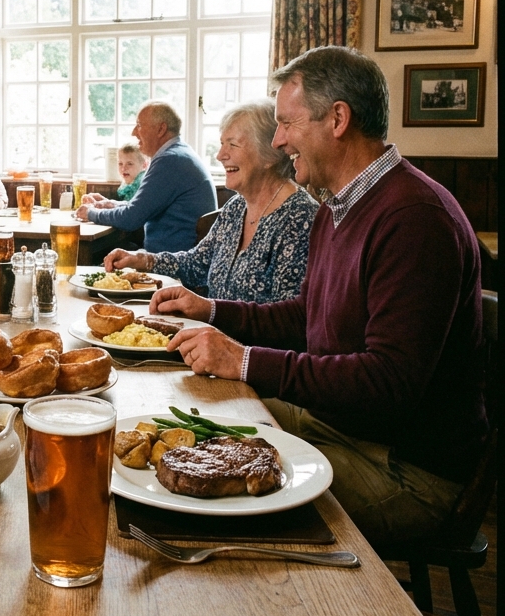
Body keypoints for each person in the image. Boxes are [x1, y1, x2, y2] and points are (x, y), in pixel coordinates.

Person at [151, 46, 486, 545]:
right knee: (192, 421)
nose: (280, 139)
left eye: (287, 123)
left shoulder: (415, 218)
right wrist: (215, 313)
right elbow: (307, 314)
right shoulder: (337, 207)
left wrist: (244, 362)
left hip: (409, 472)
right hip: (341, 428)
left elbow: (389, 381)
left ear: (337, 119)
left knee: (215, 497)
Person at [102, 100, 318, 302]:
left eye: (232, 145)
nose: (220, 155)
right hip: (210, 334)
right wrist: (141, 260)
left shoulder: (300, 218)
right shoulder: (236, 206)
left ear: (269, 153)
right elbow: (196, 264)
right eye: (222, 144)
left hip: (238, 342)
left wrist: (210, 312)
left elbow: (287, 318)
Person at [75, 100, 216, 252]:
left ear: (161, 129)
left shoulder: (169, 160)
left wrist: (91, 213)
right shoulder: (179, 153)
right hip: (172, 256)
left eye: (140, 125)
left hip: (171, 264)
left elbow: (131, 218)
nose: (134, 132)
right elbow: (143, 207)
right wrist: (110, 204)